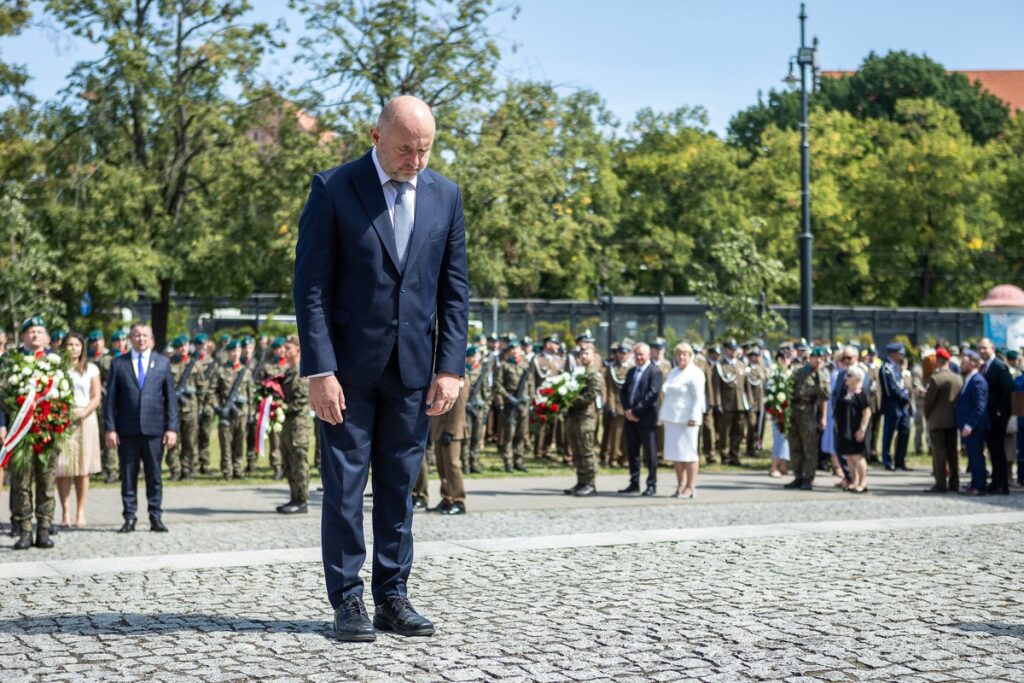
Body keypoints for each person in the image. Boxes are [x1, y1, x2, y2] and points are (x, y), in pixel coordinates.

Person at [294, 96, 469, 642]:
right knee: (345, 488)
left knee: (399, 485)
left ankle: (392, 594)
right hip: (345, 372)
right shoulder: (334, 188)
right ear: (375, 135)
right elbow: (311, 287)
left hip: (414, 371)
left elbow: (455, 291)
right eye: (404, 148)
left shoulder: (446, 196)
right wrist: (319, 369)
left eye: (424, 149)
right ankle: (347, 599)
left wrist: (450, 366)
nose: (415, 160)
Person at [103, 324, 179, 533]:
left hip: (155, 430)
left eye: (145, 335)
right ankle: (129, 517)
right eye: (137, 335)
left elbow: (171, 400)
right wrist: (110, 428)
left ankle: (155, 516)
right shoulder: (119, 364)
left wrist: (172, 428)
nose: (141, 339)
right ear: (130, 338)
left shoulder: (162, 363)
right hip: (127, 430)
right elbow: (110, 401)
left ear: (152, 340)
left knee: (154, 476)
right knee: (128, 476)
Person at [7, 317, 60, 550]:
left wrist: (59, 423)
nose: (35, 335)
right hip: (20, 431)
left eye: (39, 331)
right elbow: (2, 397)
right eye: (31, 331)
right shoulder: (11, 361)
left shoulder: (55, 362)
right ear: (23, 336)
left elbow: (64, 397)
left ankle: (45, 530)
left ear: (46, 337)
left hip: (47, 431)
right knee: (21, 482)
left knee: (47, 482)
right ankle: (25, 530)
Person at [54, 332, 102, 528]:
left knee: (83, 469)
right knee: (63, 468)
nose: (73, 348)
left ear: (83, 348)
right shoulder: (57, 369)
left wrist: (84, 412)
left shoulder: (90, 369)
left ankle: (80, 512)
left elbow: (96, 396)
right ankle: (65, 513)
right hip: (62, 419)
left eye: (77, 345)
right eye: (69, 344)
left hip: (86, 418)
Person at [428, 346, 473, 515]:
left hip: (451, 431)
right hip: (439, 428)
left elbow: (459, 410)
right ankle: (447, 498)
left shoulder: (460, 380)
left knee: (453, 465)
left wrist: (451, 431)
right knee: (442, 465)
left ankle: (458, 500)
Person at [659, 343, 705, 499]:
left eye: (684, 354)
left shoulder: (695, 373)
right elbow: (667, 395)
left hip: (688, 420)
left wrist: (693, 416)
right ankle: (680, 484)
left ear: (690, 356)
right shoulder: (673, 372)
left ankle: (690, 487)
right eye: (679, 354)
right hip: (672, 418)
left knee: (689, 454)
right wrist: (662, 415)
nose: (681, 357)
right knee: (676, 454)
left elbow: (698, 397)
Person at [618, 342, 663, 496]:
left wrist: (636, 412)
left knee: (650, 454)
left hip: (646, 419)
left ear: (648, 355)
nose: (639, 357)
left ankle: (651, 484)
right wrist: (627, 410)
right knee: (632, 452)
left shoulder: (654, 371)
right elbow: (623, 392)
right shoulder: (631, 372)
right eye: (636, 354)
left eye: (641, 354)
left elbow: (652, 394)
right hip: (630, 418)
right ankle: (634, 482)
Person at [785, 347, 831, 490]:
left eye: (821, 358)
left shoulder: (820, 375)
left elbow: (825, 398)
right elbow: (788, 389)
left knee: (809, 447)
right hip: (794, 412)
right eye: (816, 357)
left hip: (809, 412)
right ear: (810, 358)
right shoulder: (799, 372)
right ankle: (797, 476)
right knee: (795, 445)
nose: (818, 360)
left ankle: (808, 477)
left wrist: (823, 418)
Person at [277, 336, 311, 514]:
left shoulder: (301, 371)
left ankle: (302, 500)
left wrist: (283, 407)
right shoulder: (288, 372)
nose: (284, 351)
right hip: (288, 424)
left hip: (299, 425)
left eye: (288, 348)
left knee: (299, 463)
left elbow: (303, 399)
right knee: (289, 462)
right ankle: (294, 497)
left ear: (298, 351)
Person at [563, 344, 602, 497]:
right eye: (582, 354)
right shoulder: (579, 372)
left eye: (587, 353)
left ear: (593, 356)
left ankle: (590, 484)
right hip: (574, 416)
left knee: (586, 451)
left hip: (586, 417)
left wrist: (572, 400)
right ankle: (581, 481)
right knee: (577, 451)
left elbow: (592, 395)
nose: (583, 356)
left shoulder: (593, 373)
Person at [923, 347, 963, 493]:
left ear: (939, 361)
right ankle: (954, 483)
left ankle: (941, 483)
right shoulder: (958, 378)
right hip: (953, 421)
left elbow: (929, 402)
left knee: (939, 454)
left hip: (937, 421)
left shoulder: (936, 379)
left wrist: (928, 416)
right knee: (952, 453)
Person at [165, 335, 204, 481]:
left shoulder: (195, 365)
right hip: (173, 410)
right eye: (179, 346)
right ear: (175, 349)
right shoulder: (168, 365)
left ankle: (187, 469)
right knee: (172, 441)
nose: (183, 349)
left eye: (185, 345)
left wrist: (199, 405)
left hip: (190, 409)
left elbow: (202, 387)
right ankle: (175, 470)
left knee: (190, 441)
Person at [977, 338, 1013, 495]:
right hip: (988, 415)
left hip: (998, 414)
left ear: (992, 348)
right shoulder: (985, 367)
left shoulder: (999, 366)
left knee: (998, 450)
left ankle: (1002, 484)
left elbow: (1007, 390)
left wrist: (1000, 411)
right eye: (980, 349)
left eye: (984, 348)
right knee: (992, 449)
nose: (982, 351)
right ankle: (995, 481)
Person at [215, 339, 254, 480]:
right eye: (232, 351)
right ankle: (227, 471)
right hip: (226, 413)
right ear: (227, 352)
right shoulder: (220, 370)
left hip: (242, 413)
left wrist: (251, 413)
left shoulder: (246, 372)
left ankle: (238, 469)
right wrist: (218, 408)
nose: (235, 354)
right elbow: (213, 392)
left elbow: (251, 394)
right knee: (225, 443)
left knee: (239, 443)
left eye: (237, 351)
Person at [834, 366, 872, 493]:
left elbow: (867, 411)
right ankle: (854, 481)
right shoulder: (846, 392)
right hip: (845, 429)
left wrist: (862, 428)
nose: (847, 377)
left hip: (855, 429)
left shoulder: (861, 393)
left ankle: (862, 482)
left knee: (857, 456)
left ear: (857, 378)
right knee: (849, 456)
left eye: (850, 375)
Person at [957, 349, 990, 496]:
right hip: (969, 427)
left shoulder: (977, 380)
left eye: (964, 362)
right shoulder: (970, 379)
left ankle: (979, 486)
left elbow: (979, 406)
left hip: (974, 427)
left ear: (973, 363)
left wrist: (969, 425)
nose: (961, 365)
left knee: (977, 457)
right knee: (972, 456)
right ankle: (975, 483)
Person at [712, 341, 749, 466]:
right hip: (726, 405)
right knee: (725, 433)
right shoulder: (720, 366)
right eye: (730, 349)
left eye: (734, 349)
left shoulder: (741, 365)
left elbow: (746, 386)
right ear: (726, 350)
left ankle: (735, 455)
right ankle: (725, 455)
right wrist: (718, 404)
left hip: (740, 405)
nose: (733, 352)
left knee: (738, 432)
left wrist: (748, 403)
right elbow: (716, 388)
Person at [496, 344, 532, 473]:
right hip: (510, 404)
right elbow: (498, 385)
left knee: (521, 434)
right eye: (512, 350)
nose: (515, 352)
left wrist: (529, 398)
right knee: (509, 435)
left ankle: (519, 461)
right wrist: (508, 397)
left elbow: (530, 384)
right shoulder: (504, 365)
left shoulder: (526, 365)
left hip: (523, 405)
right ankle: (508, 462)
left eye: (517, 349)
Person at [879, 342, 912, 471]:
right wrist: (904, 397)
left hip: (902, 406)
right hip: (893, 406)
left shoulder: (895, 367)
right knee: (889, 433)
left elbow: (901, 384)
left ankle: (900, 460)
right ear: (893, 354)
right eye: (899, 353)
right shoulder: (886, 367)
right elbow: (890, 389)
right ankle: (887, 461)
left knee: (905, 431)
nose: (901, 356)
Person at [768, 350, 791, 478]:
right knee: (779, 439)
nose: (787, 360)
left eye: (788, 357)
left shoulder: (787, 373)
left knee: (785, 439)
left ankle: (782, 465)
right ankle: (773, 467)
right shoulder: (775, 374)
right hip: (778, 411)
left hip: (787, 410)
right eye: (784, 358)